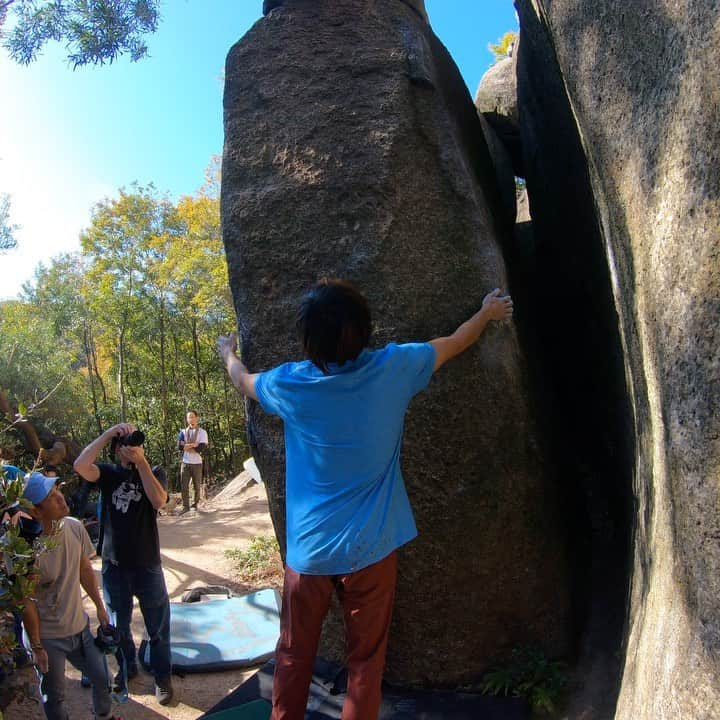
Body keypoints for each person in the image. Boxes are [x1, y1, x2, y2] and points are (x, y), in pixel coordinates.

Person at [217, 278, 513, 720]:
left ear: (308, 340)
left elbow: (242, 381)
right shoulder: (394, 369)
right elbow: (453, 343)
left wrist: (227, 350)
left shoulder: (291, 384)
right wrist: (487, 313)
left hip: (309, 553)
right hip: (370, 550)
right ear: (365, 329)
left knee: (294, 654)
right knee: (365, 664)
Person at [73, 424, 174, 706]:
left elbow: (159, 501)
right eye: (125, 444)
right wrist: (107, 434)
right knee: (120, 625)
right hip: (114, 566)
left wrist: (141, 463)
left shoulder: (154, 473)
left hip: (148, 564)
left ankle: (162, 676)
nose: (132, 446)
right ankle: (127, 668)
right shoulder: (108, 473)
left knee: (158, 626)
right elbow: (80, 465)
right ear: (118, 450)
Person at [20, 471, 122, 720]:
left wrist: (99, 606)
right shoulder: (26, 552)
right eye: (51, 498)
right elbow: (26, 602)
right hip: (48, 638)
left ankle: (104, 716)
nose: (61, 498)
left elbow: (84, 568)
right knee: (55, 696)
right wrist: (36, 646)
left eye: (57, 492)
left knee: (103, 679)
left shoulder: (74, 527)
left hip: (79, 628)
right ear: (36, 512)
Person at [177, 410, 208, 514]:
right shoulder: (183, 432)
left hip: (197, 462)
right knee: (184, 485)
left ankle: (195, 505)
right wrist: (193, 445)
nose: (191, 419)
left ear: (197, 418)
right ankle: (185, 507)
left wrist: (187, 446)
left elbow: (201, 448)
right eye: (189, 417)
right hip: (185, 462)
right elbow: (179, 447)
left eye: (192, 417)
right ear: (187, 420)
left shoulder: (202, 432)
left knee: (196, 485)